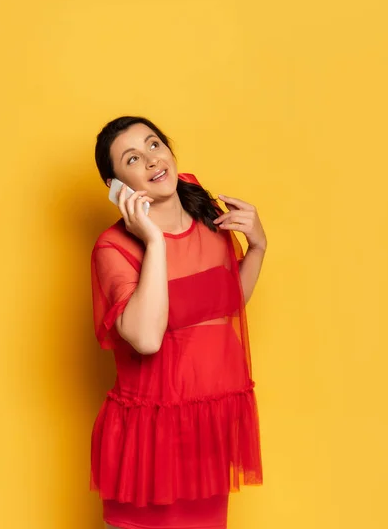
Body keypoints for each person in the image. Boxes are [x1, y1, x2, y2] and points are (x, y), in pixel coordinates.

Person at [90, 116, 267, 529]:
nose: (152, 160)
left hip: (208, 430)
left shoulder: (209, 218)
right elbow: (146, 339)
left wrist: (257, 246)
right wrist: (153, 241)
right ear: (118, 187)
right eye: (133, 158)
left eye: (154, 145)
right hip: (150, 442)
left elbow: (224, 305)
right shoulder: (113, 247)